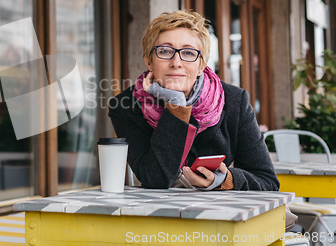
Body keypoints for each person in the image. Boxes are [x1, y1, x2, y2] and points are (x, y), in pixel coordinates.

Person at [108, 10, 279, 191]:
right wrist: (176, 105)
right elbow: (156, 178)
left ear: (201, 66)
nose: (176, 62)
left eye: (188, 53)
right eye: (165, 51)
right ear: (149, 62)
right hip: (159, 214)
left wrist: (225, 179)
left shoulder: (235, 101)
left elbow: (267, 181)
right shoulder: (126, 106)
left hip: (221, 213)